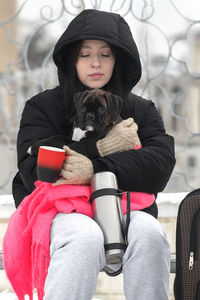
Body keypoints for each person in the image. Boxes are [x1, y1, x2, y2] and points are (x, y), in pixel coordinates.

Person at [12, 9, 175, 300]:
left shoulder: (140, 109)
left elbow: (159, 165)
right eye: (85, 54)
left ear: (119, 59)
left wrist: (95, 166)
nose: (96, 62)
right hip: (60, 212)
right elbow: (34, 169)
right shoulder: (43, 107)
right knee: (83, 237)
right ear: (72, 59)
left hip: (126, 207)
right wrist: (101, 147)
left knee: (150, 234)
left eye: (106, 54)